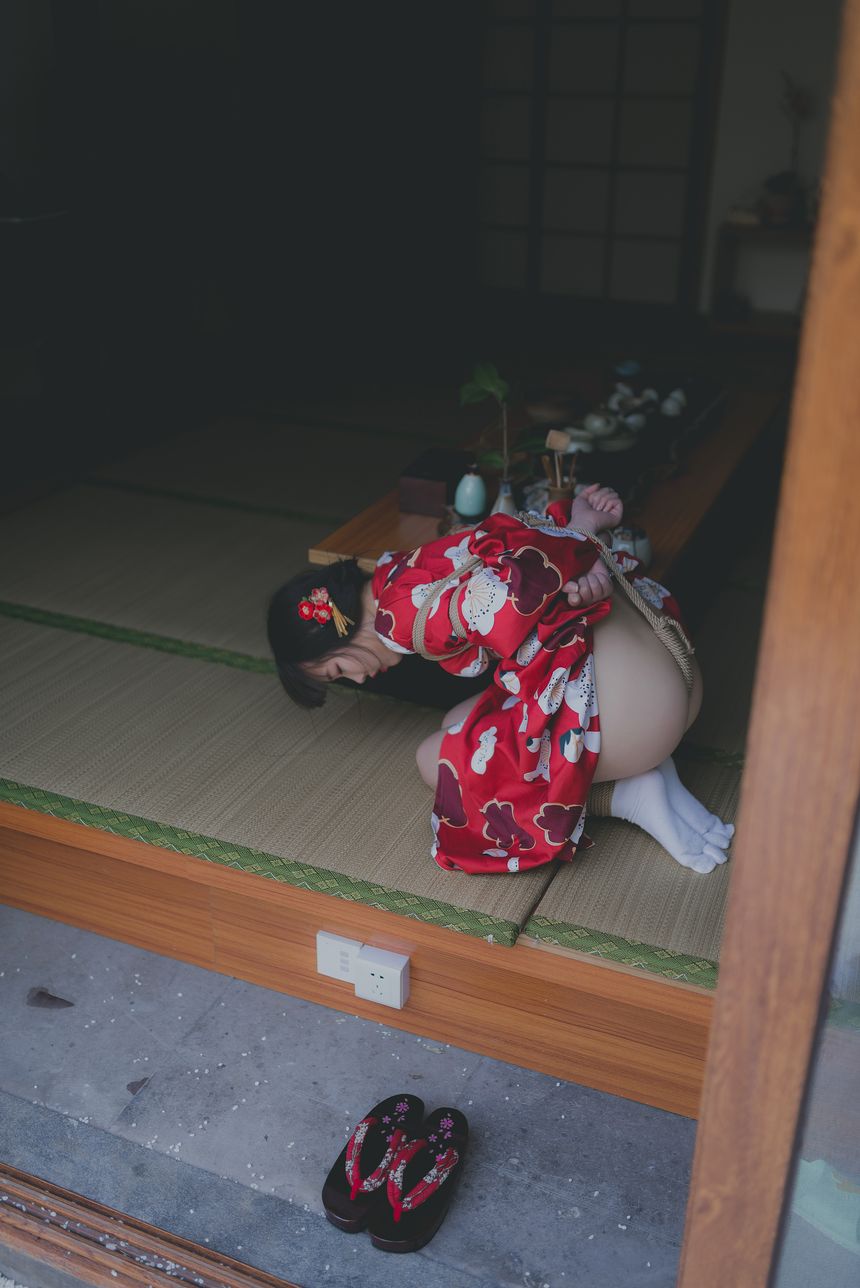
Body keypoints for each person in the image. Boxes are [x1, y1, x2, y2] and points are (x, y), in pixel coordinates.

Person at [267, 484, 733, 876]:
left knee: (434, 761)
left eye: (339, 670)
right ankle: (652, 770)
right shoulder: (399, 570)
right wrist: (576, 531)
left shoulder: (403, 617)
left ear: (337, 628)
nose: (358, 678)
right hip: (674, 673)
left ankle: (628, 795)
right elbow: (520, 543)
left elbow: (512, 596)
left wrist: (580, 531)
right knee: (459, 721)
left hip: (641, 719)